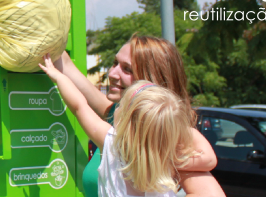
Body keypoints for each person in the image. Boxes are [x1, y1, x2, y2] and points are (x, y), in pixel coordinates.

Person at [53, 34, 223, 196]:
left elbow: (209, 171)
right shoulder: (117, 114)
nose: (112, 74)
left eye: (127, 69)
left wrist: (156, 159)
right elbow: (69, 72)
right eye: (115, 63)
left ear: (151, 80)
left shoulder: (164, 137)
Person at [40, 54, 195, 196]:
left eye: (121, 105)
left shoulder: (112, 145)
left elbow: (79, 106)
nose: (117, 106)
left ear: (127, 122)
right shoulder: (167, 161)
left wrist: (58, 76)